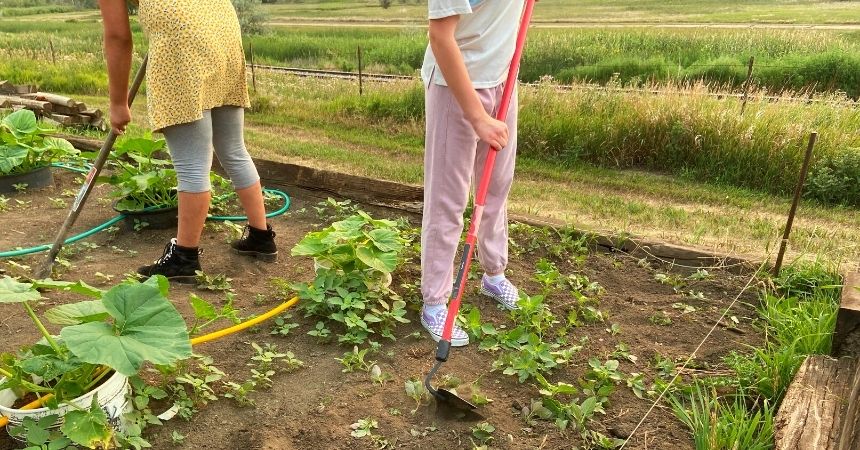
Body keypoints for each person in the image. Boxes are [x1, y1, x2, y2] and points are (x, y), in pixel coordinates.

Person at [98, 0, 277, 283]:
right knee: (233, 149)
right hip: (222, 29)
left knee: (192, 165)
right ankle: (261, 236)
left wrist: (118, 103)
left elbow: (118, 36)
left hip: (181, 42)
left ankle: (184, 258)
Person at [419, 0, 525, 346]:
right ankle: (434, 301)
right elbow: (440, 36)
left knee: (496, 187)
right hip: (457, 86)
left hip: (503, 80)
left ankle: (493, 273)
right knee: (447, 200)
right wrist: (478, 117)